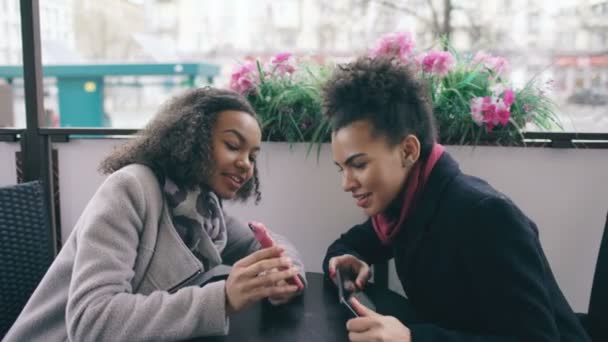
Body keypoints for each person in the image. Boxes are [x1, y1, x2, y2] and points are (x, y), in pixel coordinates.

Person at [5, 87, 306, 341]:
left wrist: (287, 271)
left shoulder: (202, 207)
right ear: (193, 137)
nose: (245, 164)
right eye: (232, 146)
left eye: (252, 156)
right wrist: (223, 298)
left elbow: (260, 244)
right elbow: (91, 322)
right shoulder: (131, 188)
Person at [321, 57, 589, 342]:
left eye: (359, 165)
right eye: (342, 168)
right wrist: (346, 260)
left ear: (408, 151)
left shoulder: (486, 217)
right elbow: (348, 246)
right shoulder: (405, 207)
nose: (346, 183)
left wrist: (413, 338)